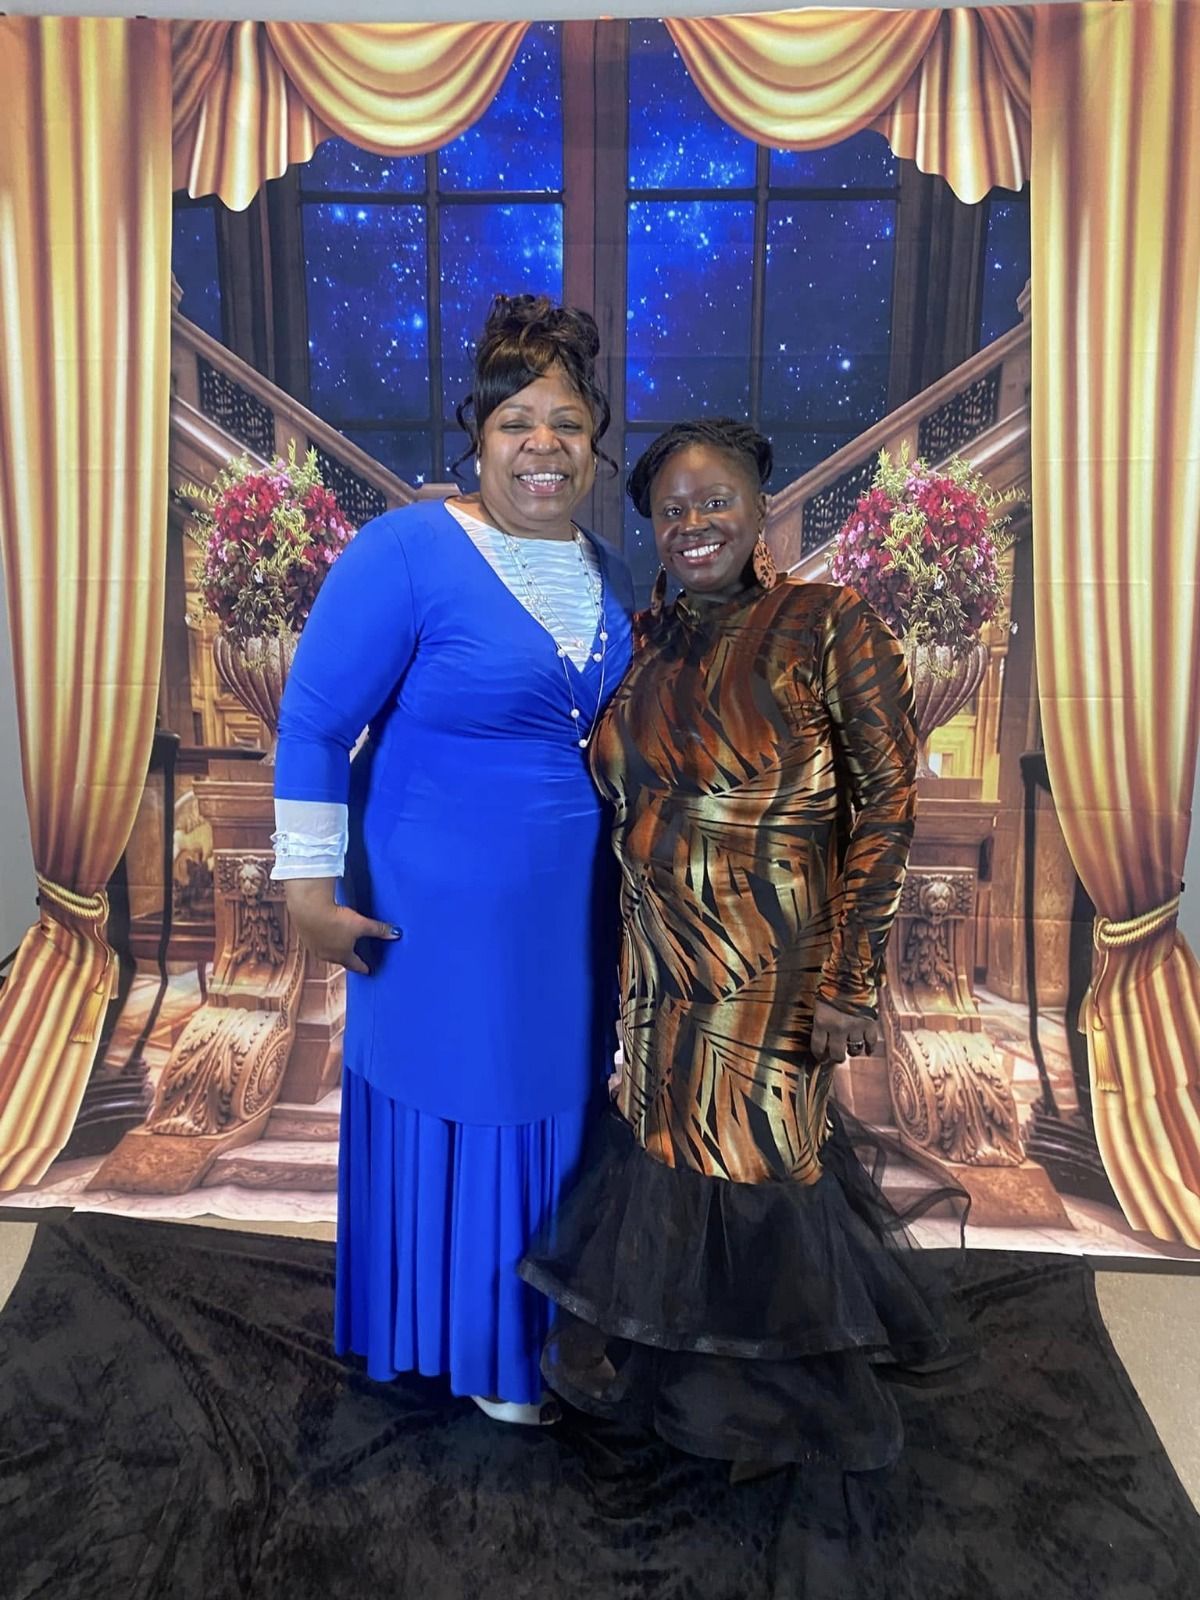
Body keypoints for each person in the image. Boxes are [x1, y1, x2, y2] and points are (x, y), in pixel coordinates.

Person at [520, 417, 960, 1475]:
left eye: (715, 498)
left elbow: (886, 807)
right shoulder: (637, 644)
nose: (694, 522)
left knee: (759, 1159)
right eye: (671, 509)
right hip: (658, 969)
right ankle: (675, 1372)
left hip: (775, 966)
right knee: (664, 1159)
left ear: (762, 504)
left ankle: (760, 1399)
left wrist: (852, 977)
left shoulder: (827, 624)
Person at [272, 294, 634, 1425]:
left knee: (556, 1100)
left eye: (567, 423)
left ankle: (544, 1326)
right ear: (475, 434)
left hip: (569, 916)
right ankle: (480, 1347)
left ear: (594, 444)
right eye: (517, 419)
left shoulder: (609, 572)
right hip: (435, 915)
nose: (543, 445)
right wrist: (309, 889)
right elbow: (315, 723)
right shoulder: (410, 550)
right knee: (467, 1095)